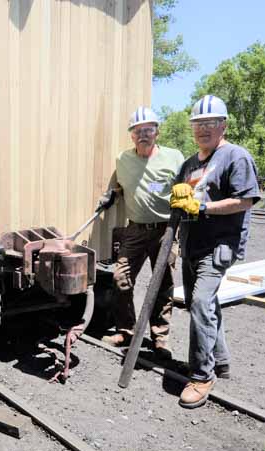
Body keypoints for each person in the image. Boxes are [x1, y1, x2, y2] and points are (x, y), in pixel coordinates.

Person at [170, 95, 260, 409]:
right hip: (192, 245)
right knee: (206, 305)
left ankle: (202, 375)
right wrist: (171, 192)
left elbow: (245, 200)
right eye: (198, 124)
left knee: (198, 303)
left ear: (223, 125)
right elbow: (173, 193)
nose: (203, 129)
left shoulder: (236, 156)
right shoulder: (190, 163)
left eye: (210, 123)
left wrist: (203, 205)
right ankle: (220, 360)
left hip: (219, 246)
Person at [102, 106, 184, 359]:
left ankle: (160, 337)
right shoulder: (123, 159)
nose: (143, 135)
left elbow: (186, 189)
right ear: (131, 136)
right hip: (135, 230)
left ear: (157, 132)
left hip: (166, 230)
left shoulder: (174, 157)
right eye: (138, 131)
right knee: (120, 279)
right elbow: (118, 185)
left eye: (148, 129)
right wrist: (110, 194)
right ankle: (125, 330)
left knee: (162, 283)